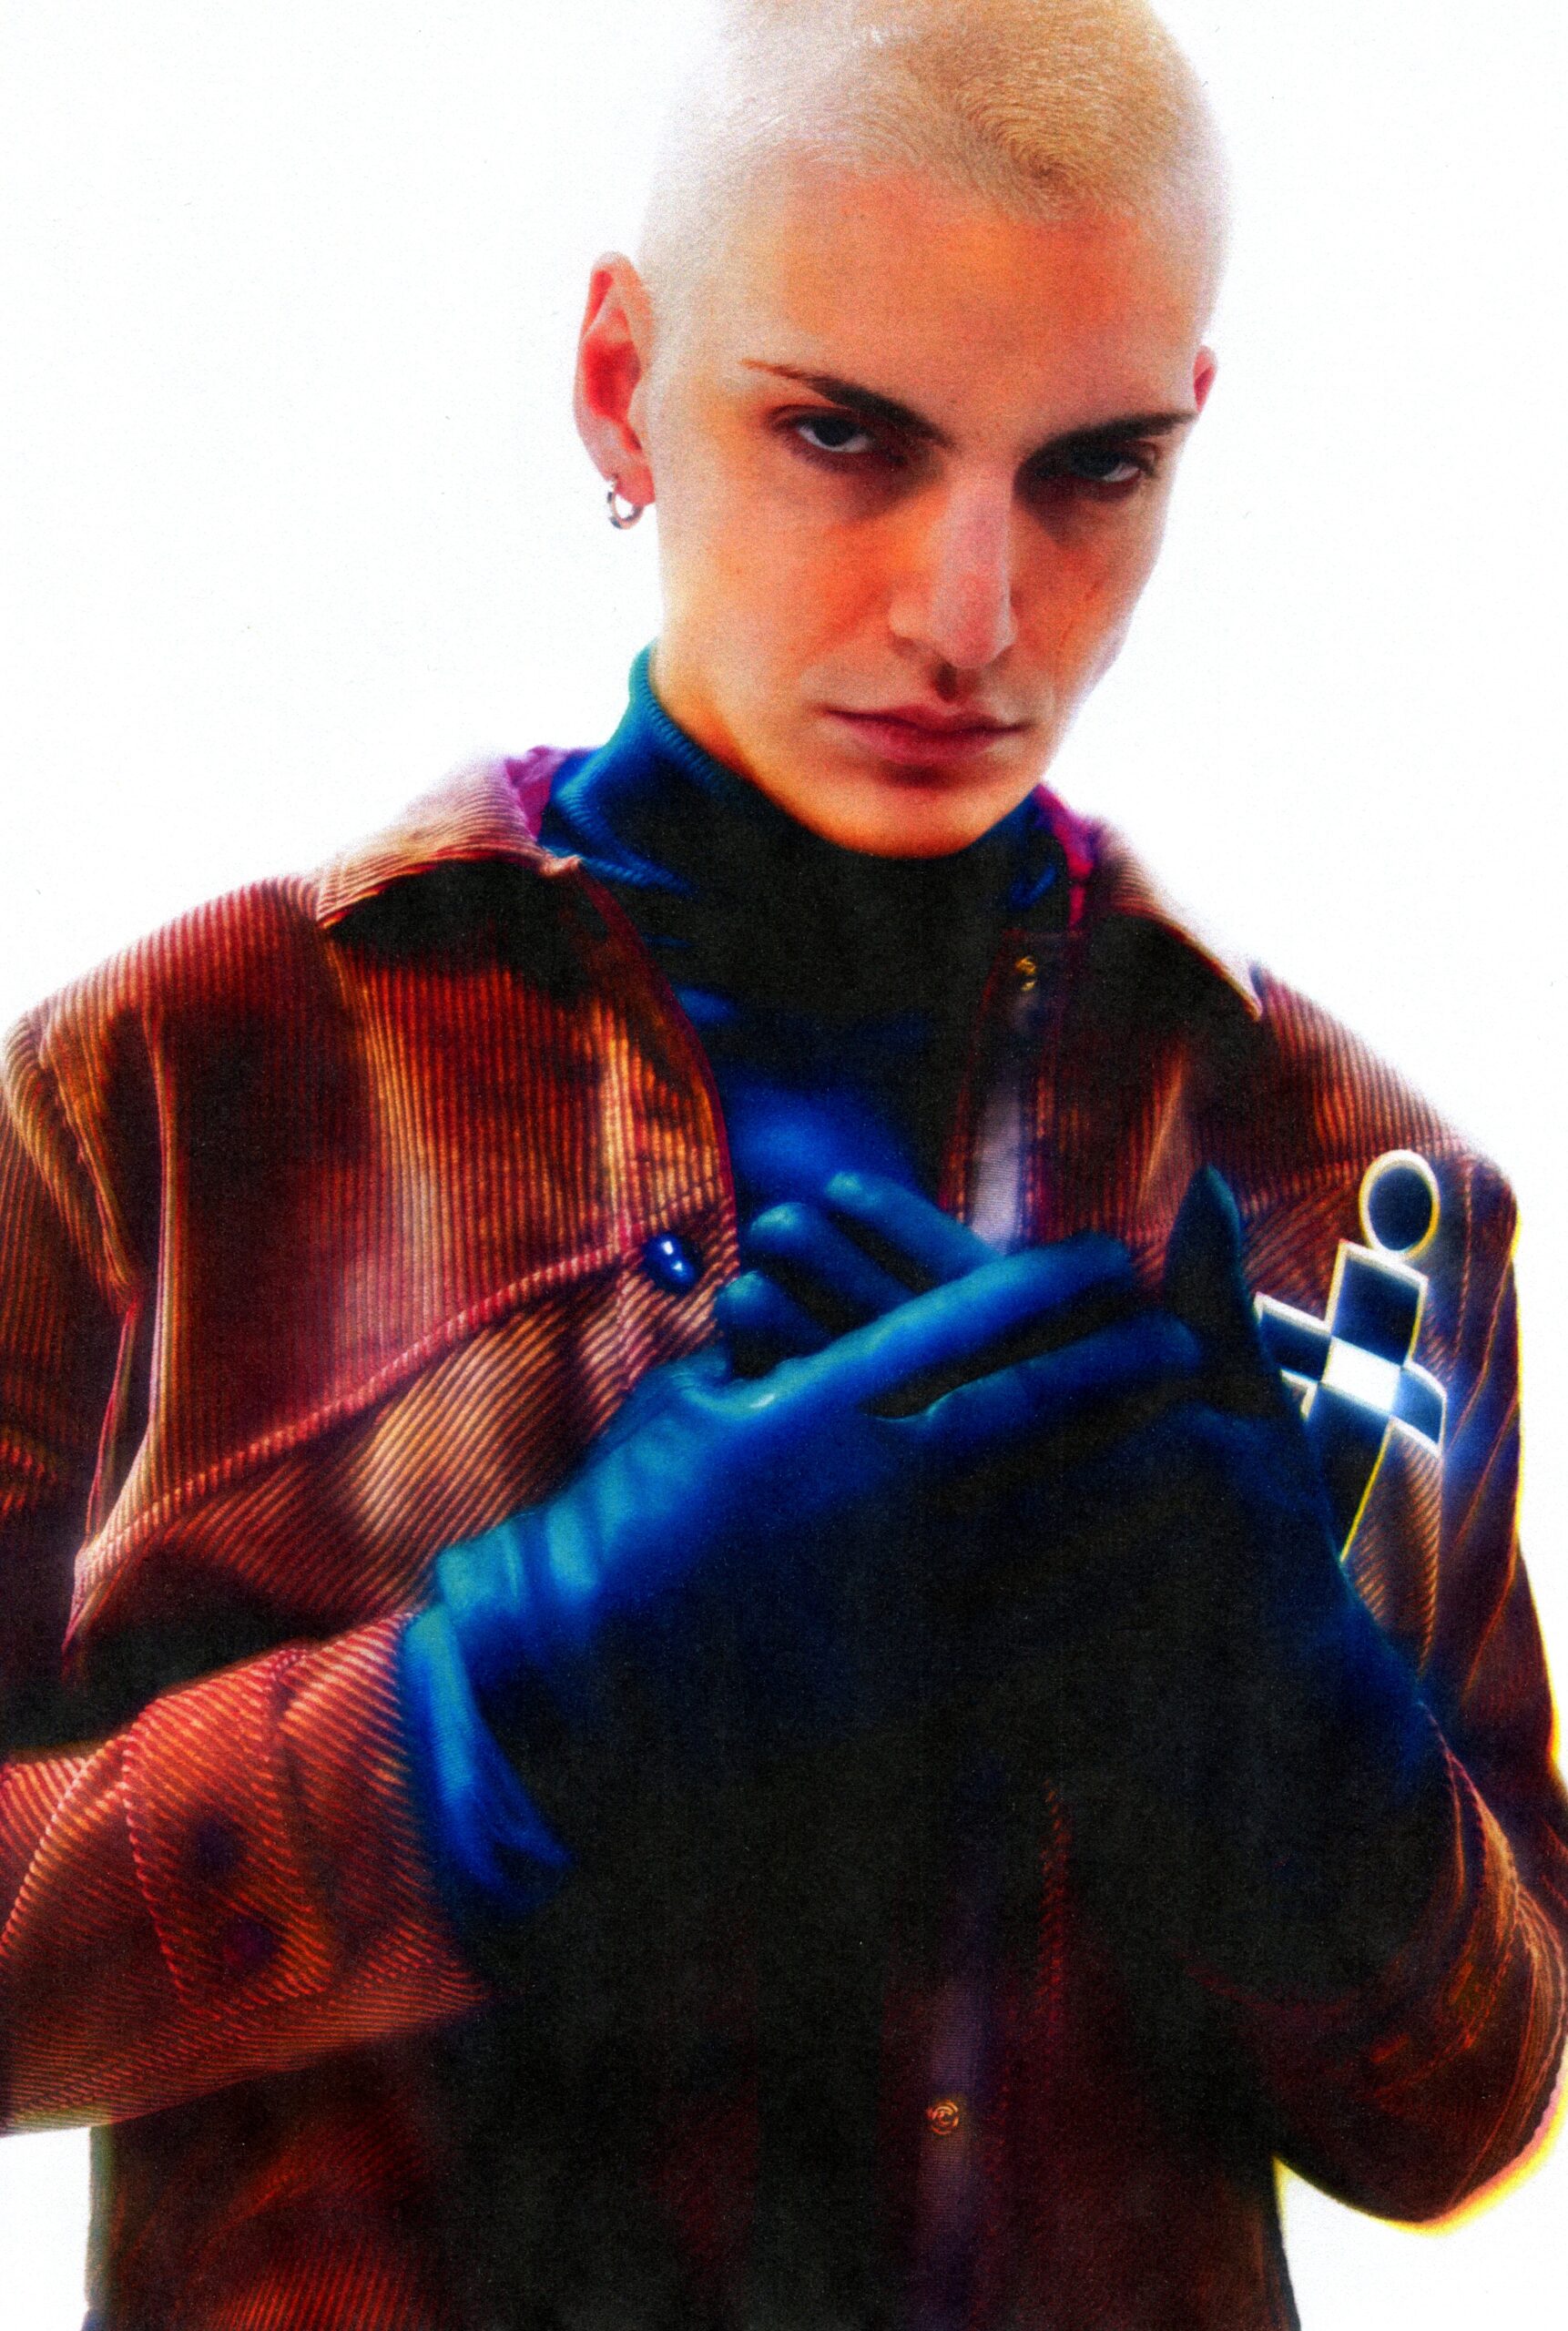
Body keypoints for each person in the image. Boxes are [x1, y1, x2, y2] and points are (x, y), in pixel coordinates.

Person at [1, 3, 1563, 2326]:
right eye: (845, 434)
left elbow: (1474, 2110)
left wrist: (1292, 1750)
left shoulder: (1344, 1179)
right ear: (620, 386)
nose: (972, 613)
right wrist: (491, 1711)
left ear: (1188, 431)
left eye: (1093, 471)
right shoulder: (169, 1089)